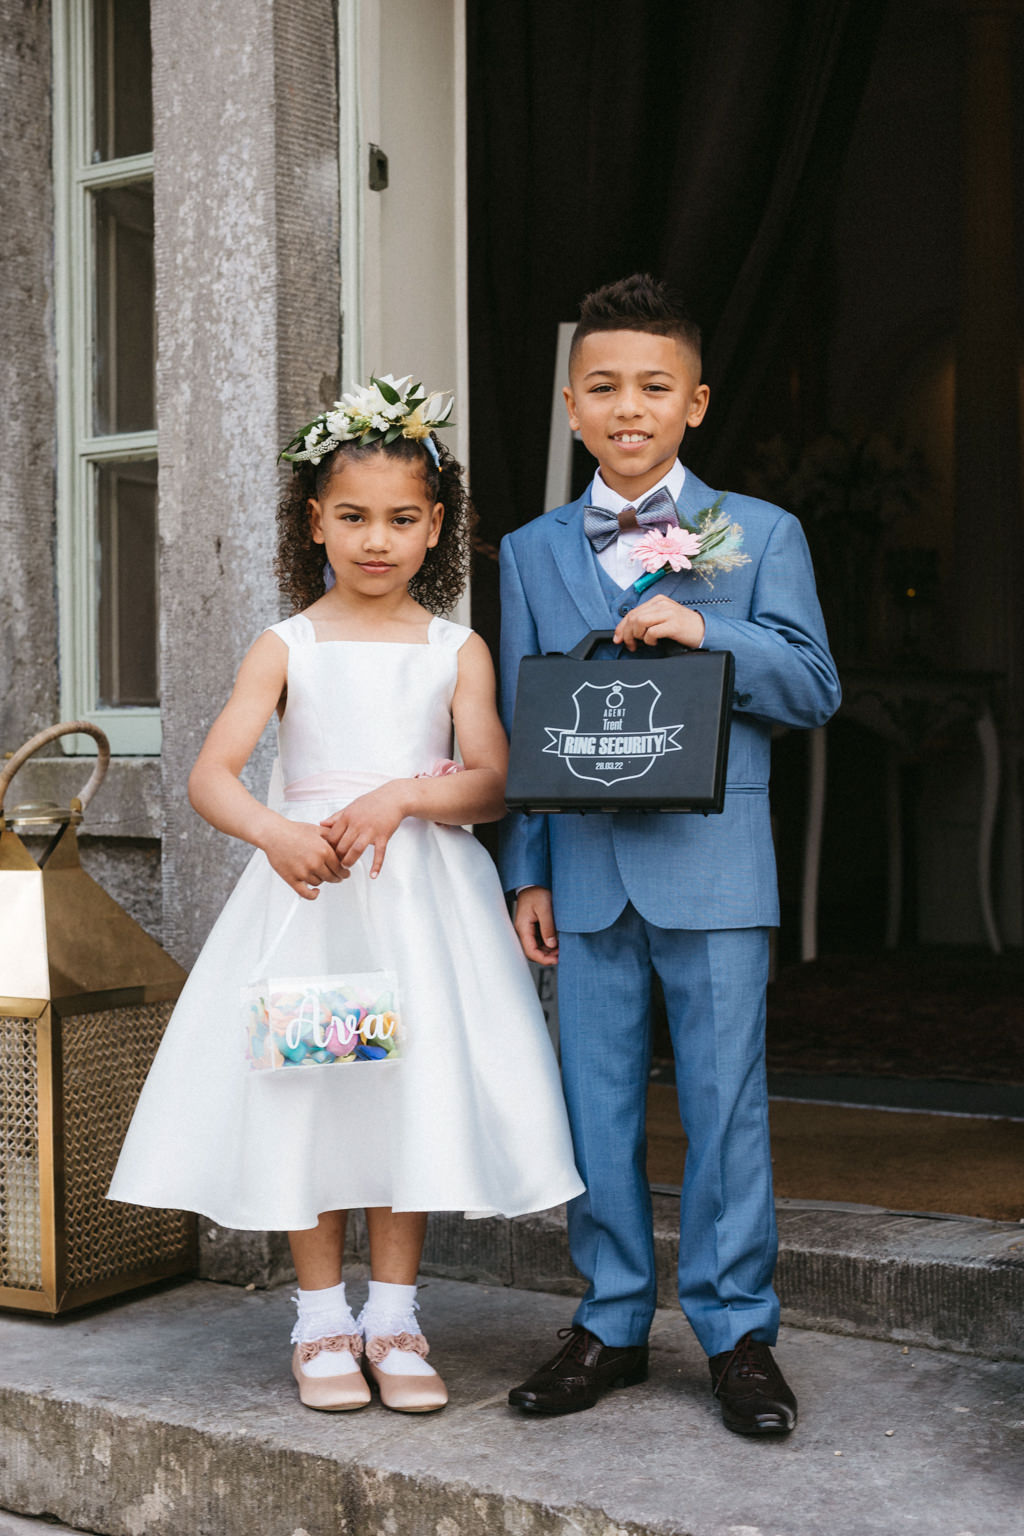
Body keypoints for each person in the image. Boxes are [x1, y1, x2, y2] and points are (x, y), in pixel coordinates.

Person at [110, 375, 583, 1415]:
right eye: (355, 516)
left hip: (421, 911)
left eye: (403, 519)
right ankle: (321, 1320)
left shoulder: (454, 649)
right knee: (316, 1088)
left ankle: (396, 1315)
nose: (378, 539)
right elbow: (211, 774)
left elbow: (494, 781)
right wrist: (276, 830)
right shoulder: (289, 644)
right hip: (313, 908)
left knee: (399, 1095)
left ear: (437, 527)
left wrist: (406, 795)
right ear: (315, 520)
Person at [499, 275, 840, 1433]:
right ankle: (608, 1323)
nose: (627, 407)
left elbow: (813, 687)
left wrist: (712, 627)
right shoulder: (530, 550)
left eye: (652, 386)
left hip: (714, 867)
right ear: (571, 403)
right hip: (585, 873)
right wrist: (526, 868)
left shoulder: (760, 534)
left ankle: (738, 1334)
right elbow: (520, 713)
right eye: (603, 387)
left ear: (695, 401)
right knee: (591, 1109)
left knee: (723, 1104)